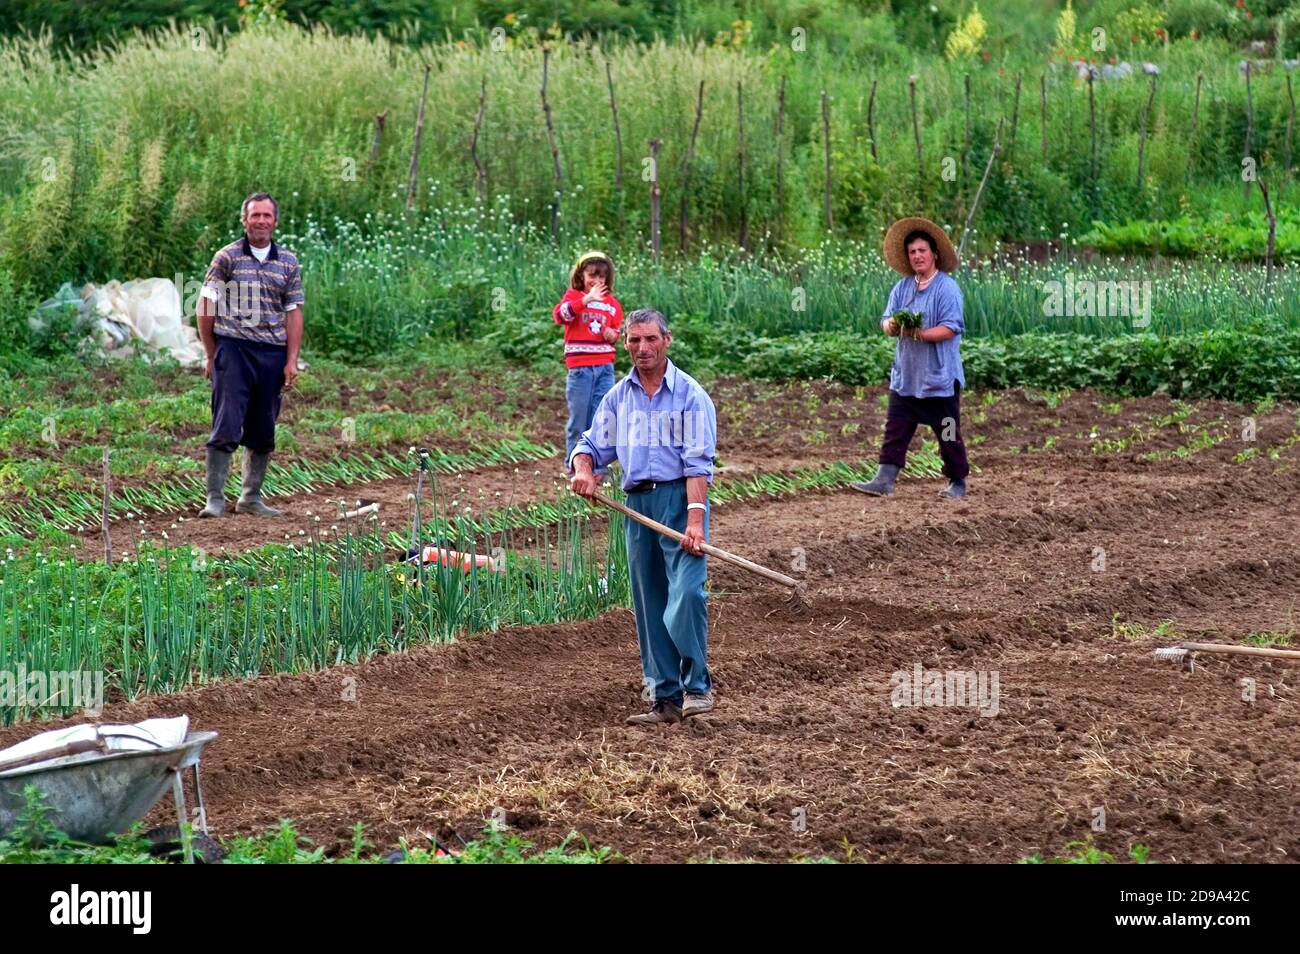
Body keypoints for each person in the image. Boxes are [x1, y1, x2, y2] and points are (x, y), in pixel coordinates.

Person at [568, 309, 718, 725]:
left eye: (650, 339)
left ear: (666, 340)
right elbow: (591, 444)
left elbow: (698, 465)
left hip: (680, 501)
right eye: (634, 341)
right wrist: (584, 469)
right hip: (638, 506)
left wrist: (693, 521)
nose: (642, 348)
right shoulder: (619, 397)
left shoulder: (690, 395)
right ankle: (665, 699)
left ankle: (697, 688)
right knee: (649, 601)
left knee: (686, 595)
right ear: (625, 344)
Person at [196, 192, 304, 518]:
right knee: (226, 422)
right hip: (234, 348)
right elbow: (205, 305)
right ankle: (214, 499)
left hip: (271, 353)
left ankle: (250, 498)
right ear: (244, 220)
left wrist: (291, 359)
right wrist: (211, 354)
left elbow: (294, 312)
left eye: (266, 216)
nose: (260, 221)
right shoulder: (226, 257)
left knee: (263, 427)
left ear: (275, 221)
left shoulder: (288, 262)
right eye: (254, 215)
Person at [851, 216, 969, 499]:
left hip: (938, 376)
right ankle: (884, 479)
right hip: (907, 373)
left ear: (934, 254)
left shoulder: (947, 289)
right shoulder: (902, 288)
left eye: (922, 250)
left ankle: (958, 481)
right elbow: (886, 319)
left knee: (948, 432)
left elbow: (951, 328)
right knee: (896, 427)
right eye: (912, 251)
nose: (917, 256)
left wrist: (919, 333)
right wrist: (891, 325)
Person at [554, 251, 623, 477]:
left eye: (602, 277)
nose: (597, 281)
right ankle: (574, 465)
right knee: (579, 419)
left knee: (601, 418)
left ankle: (598, 467)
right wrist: (586, 299)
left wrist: (612, 334)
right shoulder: (573, 297)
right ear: (581, 276)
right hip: (580, 369)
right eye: (592, 276)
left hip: (604, 367)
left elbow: (616, 331)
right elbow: (560, 315)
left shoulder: (612, 305)